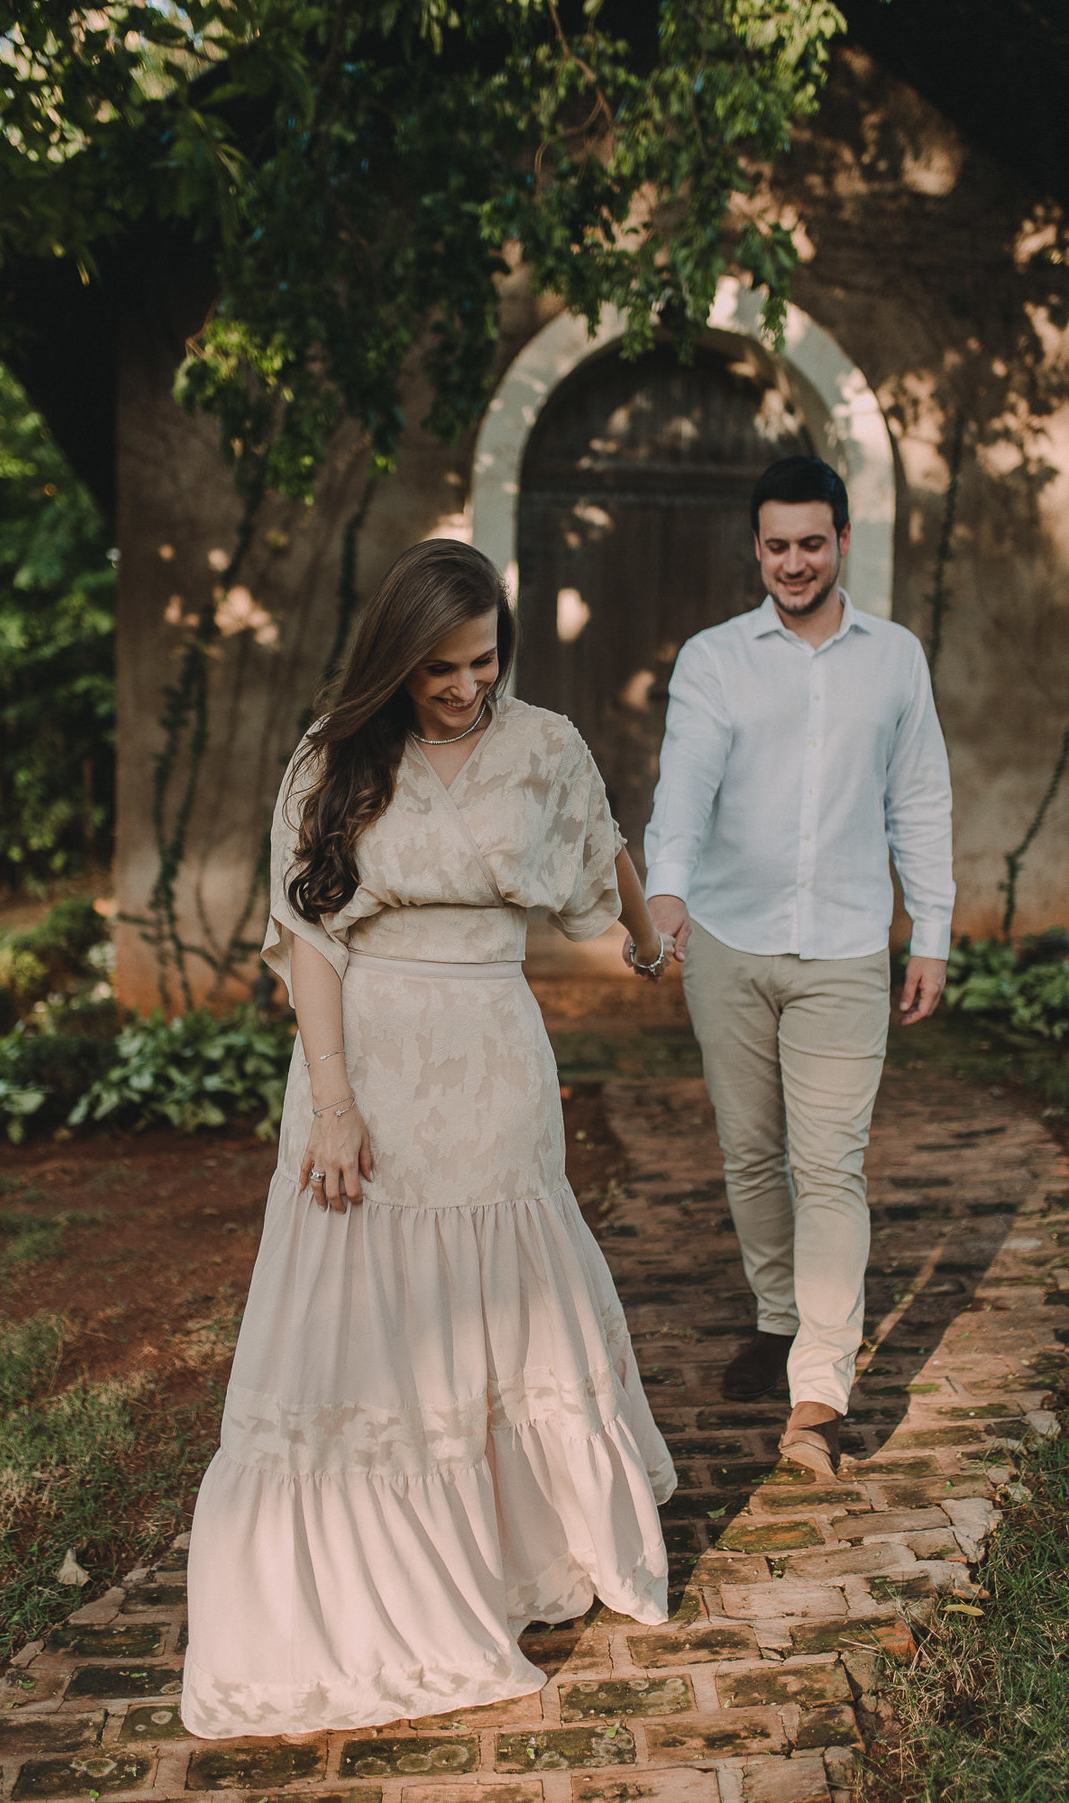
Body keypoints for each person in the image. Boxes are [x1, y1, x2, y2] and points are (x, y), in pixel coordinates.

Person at [181, 538, 677, 1739]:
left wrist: (646, 931)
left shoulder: (544, 743)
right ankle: (383, 1589)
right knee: (363, 1319)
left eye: (483, 662)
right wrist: (335, 1104)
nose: (464, 688)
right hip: (366, 1066)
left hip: (495, 1064)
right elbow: (309, 938)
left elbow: (602, 840)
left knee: (501, 1302)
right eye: (439, 668)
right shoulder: (332, 755)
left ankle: (515, 1554)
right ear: (395, 659)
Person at [639, 456, 955, 1480]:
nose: (793, 563)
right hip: (727, 940)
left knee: (829, 1165)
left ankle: (818, 1389)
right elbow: (685, 785)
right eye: (776, 545)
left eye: (811, 543)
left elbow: (920, 799)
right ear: (757, 547)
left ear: (843, 541)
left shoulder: (895, 659)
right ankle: (777, 1314)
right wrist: (666, 890)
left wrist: (933, 931)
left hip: (847, 947)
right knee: (749, 1151)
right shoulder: (715, 660)